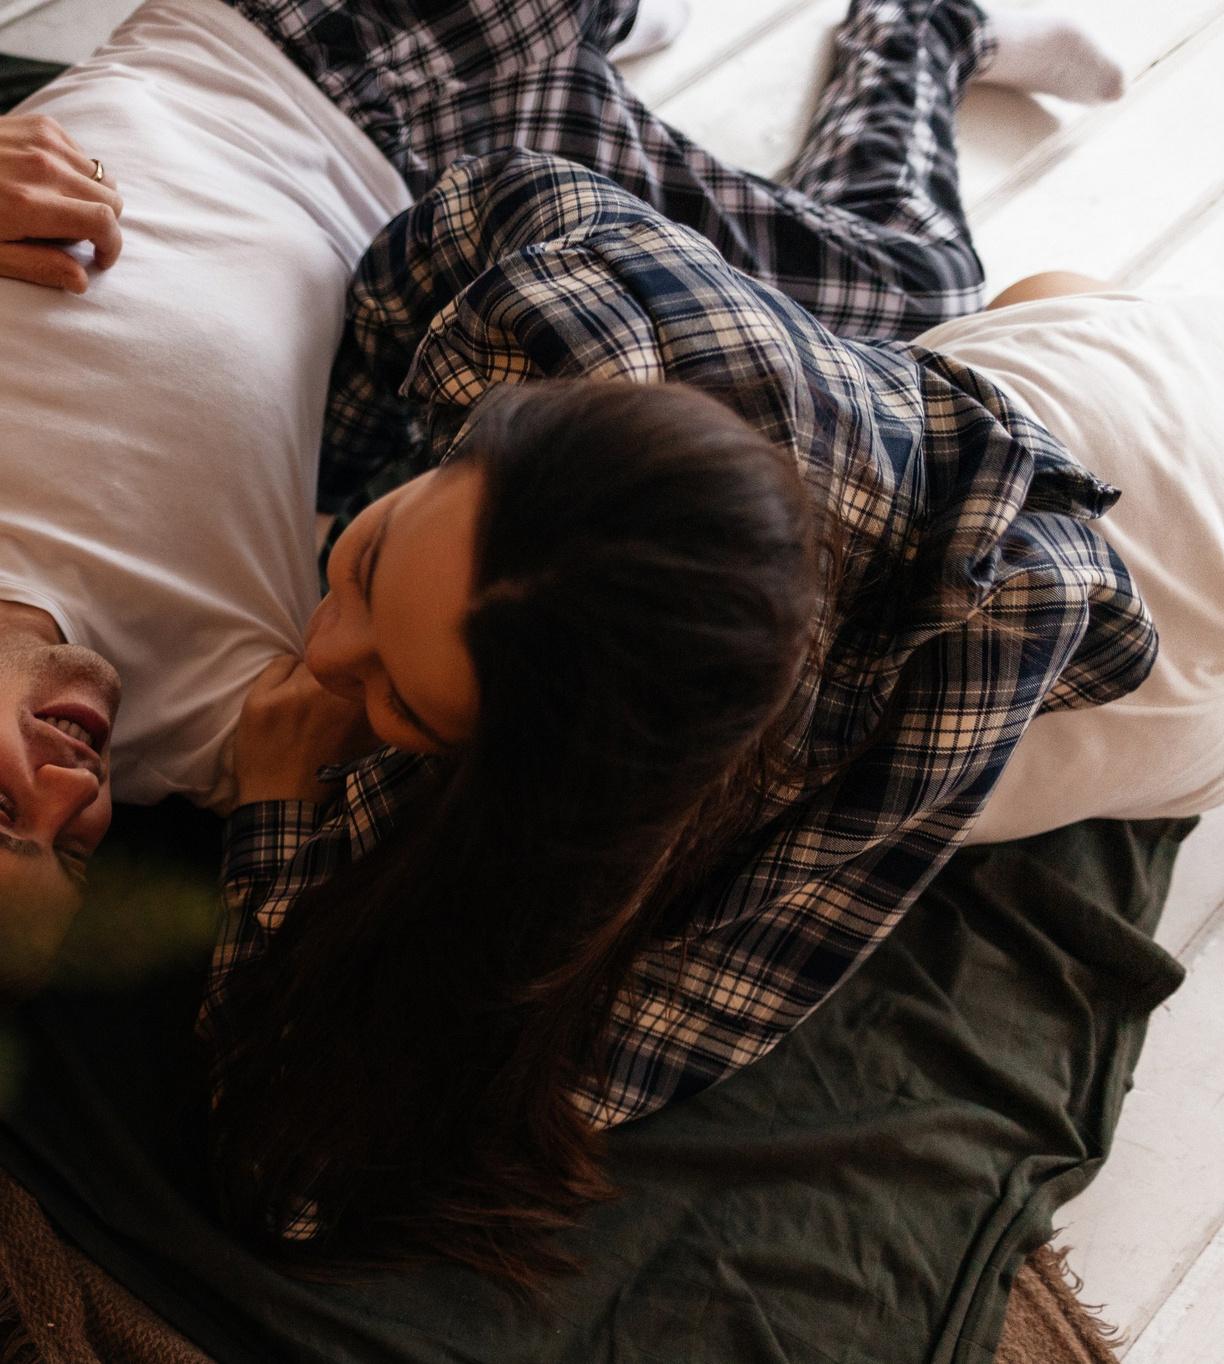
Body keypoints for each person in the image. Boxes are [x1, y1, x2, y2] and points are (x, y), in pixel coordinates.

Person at [0, 0, 1125, 965]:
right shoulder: (208, 730)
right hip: (459, 200)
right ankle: (924, 27)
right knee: (919, 284)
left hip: (265, 39)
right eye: (70, 852)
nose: (74, 795)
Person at [209, 108, 1202, 1277]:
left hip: (1183, 646)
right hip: (1088, 353)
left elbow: (315, 1170)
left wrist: (275, 811)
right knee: (1019, 287)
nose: (325, 653)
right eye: (372, 566)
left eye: (407, 706)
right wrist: (347, 473)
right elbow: (411, 265)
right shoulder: (579, 286)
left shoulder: (906, 728)